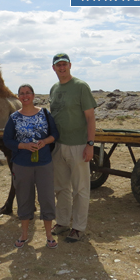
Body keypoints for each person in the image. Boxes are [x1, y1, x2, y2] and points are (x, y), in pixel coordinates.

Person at [3, 84, 60, 249]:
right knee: (24, 198)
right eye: (21, 93)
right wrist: (23, 146)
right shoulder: (14, 118)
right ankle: (24, 234)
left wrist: (45, 141)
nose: (25, 96)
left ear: (33, 95)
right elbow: (7, 140)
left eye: (28, 93)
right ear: (18, 97)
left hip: (44, 163)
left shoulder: (44, 113)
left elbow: (55, 134)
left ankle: (49, 236)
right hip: (21, 164)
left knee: (47, 198)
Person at [49, 53, 98, 243]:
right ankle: (62, 222)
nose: (61, 68)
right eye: (58, 65)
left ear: (70, 65)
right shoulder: (54, 88)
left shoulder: (80, 87)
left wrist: (90, 145)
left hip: (78, 145)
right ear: (53, 68)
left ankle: (78, 227)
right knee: (61, 187)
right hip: (58, 146)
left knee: (80, 188)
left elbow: (90, 117)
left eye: (64, 64)